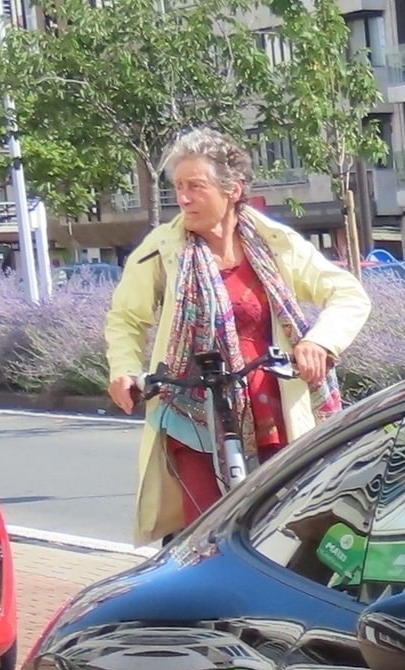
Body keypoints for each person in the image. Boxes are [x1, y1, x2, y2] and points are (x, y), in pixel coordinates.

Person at [102, 128, 370, 543]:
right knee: (210, 534)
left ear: (233, 189)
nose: (184, 198)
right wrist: (123, 370)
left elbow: (348, 293)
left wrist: (319, 342)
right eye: (178, 188)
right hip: (192, 413)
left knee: (283, 532)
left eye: (196, 186)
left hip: (272, 408)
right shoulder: (162, 248)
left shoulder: (273, 243)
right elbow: (125, 318)